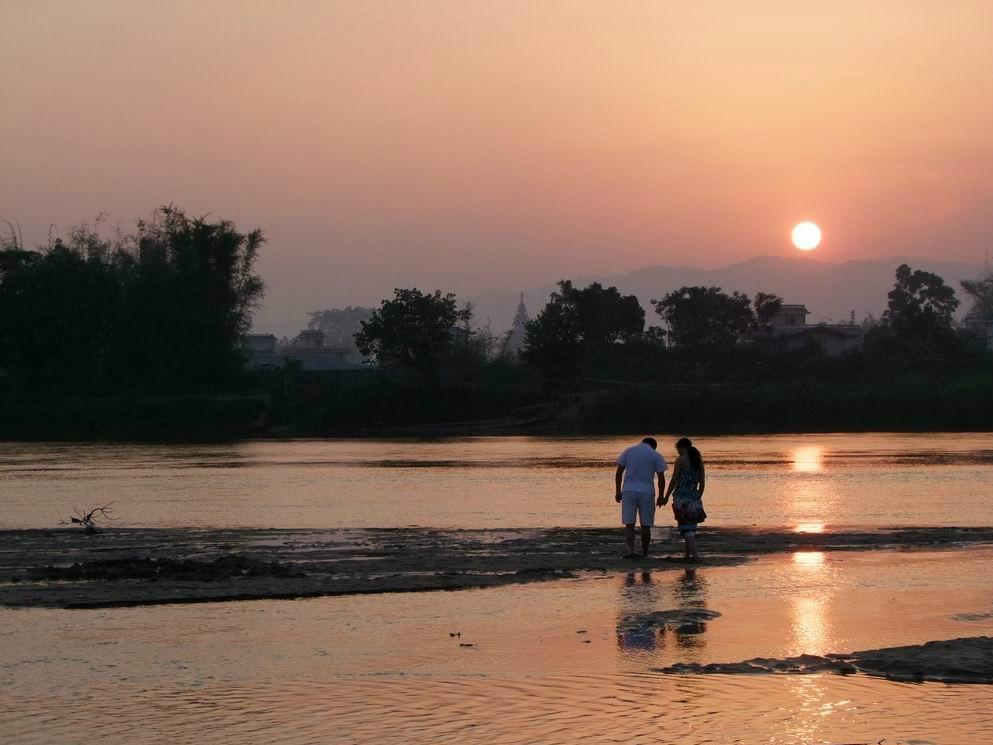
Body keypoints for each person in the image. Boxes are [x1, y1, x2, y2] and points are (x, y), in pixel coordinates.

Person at [614, 437, 668, 558]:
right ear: (654, 446)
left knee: (629, 525)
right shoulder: (656, 455)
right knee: (645, 525)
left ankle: (631, 551)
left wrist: (618, 490)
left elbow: (619, 472)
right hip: (646, 492)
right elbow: (661, 478)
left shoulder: (629, 451)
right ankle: (644, 553)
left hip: (629, 490)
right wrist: (661, 495)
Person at [661, 437, 707, 561]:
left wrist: (666, 496)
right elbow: (702, 483)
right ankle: (687, 555)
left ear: (681, 447)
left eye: (678, 449)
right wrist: (698, 497)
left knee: (686, 528)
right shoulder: (699, 461)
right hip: (694, 497)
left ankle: (695, 556)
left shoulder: (680, 460)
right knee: (690, 527)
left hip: (681, 497)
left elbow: (674, 479)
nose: (678, 451)